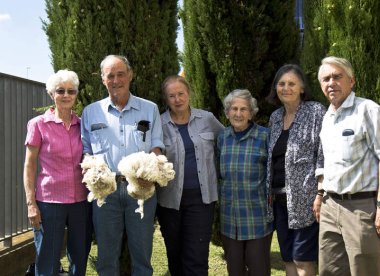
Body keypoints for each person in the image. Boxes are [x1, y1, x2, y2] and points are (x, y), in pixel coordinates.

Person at [314, 56, 380, 275]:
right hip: (331, 206)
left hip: (361, 209)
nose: (331, 83)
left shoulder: (369, 111)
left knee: (364, 271)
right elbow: (328, 160)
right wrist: (320, 193)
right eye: (325, 79)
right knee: (329, 271)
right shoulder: (328, 117)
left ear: (352, 81)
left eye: (337, 77)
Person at [81, 55, 164, 275]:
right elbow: (86, 151)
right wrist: (91, 169)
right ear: (102, 79)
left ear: (130, 75)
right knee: (106, 258)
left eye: (120, 74)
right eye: (110, 76)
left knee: (142, 255)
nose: (116, 80)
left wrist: (151, 171)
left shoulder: (150, 109)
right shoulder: (90, 112)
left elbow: (157, 146)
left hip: (142, 189)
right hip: (104, 193)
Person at [23, 69, 92, 275]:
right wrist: (31, 203)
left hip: (80, 202)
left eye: (71, 91)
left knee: (79, 257)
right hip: (49, 202)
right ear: (51, 94)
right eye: (60, 90)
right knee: (48, 260)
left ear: (76, 95)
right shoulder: (38, 125)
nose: (66, 95)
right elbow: (29, 165)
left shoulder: (83, 125)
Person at [156, 75, 224, 276]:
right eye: (171, 96)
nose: (177, 99)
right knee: (175, 256)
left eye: (181, 94)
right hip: (170, 201)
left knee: (197, 256)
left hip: (201, 200)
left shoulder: (207, 119)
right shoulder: (159, 124)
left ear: (189, 94)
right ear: (166, 99)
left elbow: (227, 143)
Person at [266, 64, 326, 276]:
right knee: (288, 257)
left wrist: (320, 193)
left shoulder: (315, 111)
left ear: (302, 88)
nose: (286, 88)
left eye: (292, 83)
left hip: (306, 200)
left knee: (303, 259)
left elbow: (323, 154)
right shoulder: (275, 118)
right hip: (279, 200)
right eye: (281, 84)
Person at [217, 89, 273, 276]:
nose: (238, 114)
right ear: (227, 112)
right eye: (234, 109)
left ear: (251, 113)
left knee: (259, 270)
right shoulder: (222, 138)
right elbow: (219, 174)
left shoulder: (265, 137)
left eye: (243, 109)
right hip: (229, 218)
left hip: (256, 218)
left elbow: (272, 176)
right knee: (234, 270)